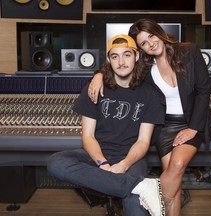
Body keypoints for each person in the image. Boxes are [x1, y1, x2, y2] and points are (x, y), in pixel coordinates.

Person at [88, 19, 211, 216]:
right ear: (140, 49)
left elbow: (204, 91)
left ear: (159, 32)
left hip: (191, 122)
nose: (150, 44)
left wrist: (192, 128)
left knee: (176, 165)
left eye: (151, 36)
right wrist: (98, 75)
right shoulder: (145, 66)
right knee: (175, 180)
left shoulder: (189, 52)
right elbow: (118, 64)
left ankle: (153, 199)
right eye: (143, 43)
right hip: (164, 127)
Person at [47, 34, 166, 216]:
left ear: (136, 56)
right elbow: (88, 136)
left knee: (135, 202)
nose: (121, 62)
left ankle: (135, 188)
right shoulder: (94, 89)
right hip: (96, 154)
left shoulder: (150, 95)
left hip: (131, 157)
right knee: (56, 163)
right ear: (109, 60)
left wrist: (124, 164)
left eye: (127, 55)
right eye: (115, 56)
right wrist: (102, 164)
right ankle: (141, 186)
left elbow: (143, 141)